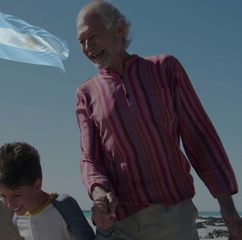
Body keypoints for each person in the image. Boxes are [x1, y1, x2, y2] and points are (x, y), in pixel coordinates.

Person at [75, 1, 242, 239]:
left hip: (173, 216)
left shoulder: (165, 68)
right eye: (81, 41)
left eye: (93, 36)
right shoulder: (86, 93)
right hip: (121, 222)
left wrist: (226, 204)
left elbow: (200, 137)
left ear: (119, 29)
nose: (87, 47)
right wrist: (99, 193)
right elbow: (89, 158)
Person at [0, 142, 114, 240]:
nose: (10, 204)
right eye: (2, 195)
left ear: (37, 185)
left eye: (16, 195)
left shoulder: (64, 206)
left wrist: (104, 229)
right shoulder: (17, 218)